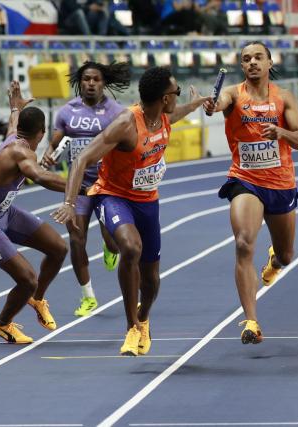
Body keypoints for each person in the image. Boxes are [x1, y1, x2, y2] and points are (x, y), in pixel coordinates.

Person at [53, 66, 209, 356]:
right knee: (130, 248)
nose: (177, 96)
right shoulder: (126, 123)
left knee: (150, 279)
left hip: (148, 202)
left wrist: (197, 103)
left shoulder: (163, 116)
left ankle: (144, 317)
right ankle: (131, 327)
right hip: (113, 196)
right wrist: (70, 202)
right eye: (175, 92)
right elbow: (82, 159)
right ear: (164, 98)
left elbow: (179, 112)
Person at [203, 41, 298, 344]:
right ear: (242, 66)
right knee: (244, 243)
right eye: (246, 59)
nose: (252, 63)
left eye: (258, 58)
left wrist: (282, 132)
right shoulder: (235, 95)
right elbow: (220, 101)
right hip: (245, 180)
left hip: (280, 183)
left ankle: (274, 261)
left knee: (287, 255)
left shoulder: (284, 98)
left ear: (270, 62)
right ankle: (251, 321)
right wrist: (213, 105)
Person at [0, 81, 68, 344]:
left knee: (58, 248)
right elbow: (40, 177)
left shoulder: (14, 136)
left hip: (4, 212)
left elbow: (13, 123)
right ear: (42, 133)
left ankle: (38, 299)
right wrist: (81, 187)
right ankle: (3, 324)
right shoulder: (21, 153)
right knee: (27, 279)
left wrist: (15, 105)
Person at [42, 61, 129, 317]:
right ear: (80, 82)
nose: (91, 83)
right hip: (77, 187)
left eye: (96, 79)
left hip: (106, 185)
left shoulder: (116, 112)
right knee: (77, 239)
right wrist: (49, 155)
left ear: (104, 83)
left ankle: (109, 248)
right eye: (87, 79)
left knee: (114, 241)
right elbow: (56, 142)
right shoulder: (67, 111)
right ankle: (88, 296)